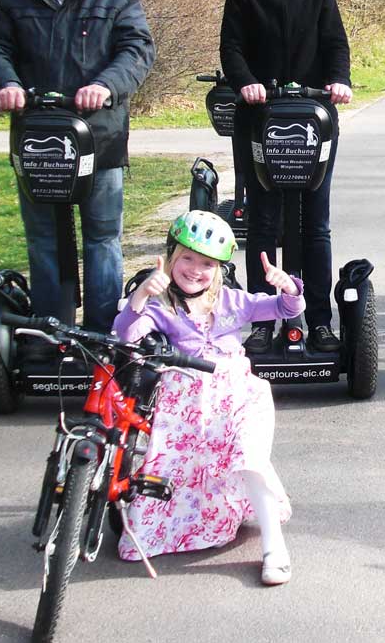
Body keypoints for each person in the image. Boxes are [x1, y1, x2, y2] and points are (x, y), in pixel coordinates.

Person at [0, 0, 155, 332]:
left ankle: (100, 332)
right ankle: (53, 329)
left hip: (100, 136)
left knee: (101, 238)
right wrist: (6, 83)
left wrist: (105, 85)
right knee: (44, 238)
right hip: (38, 137)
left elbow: (136, 50)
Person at [114, 211, 303, 585]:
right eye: (187, 258)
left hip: (238, 396)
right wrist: (138, 296)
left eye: (206, 264)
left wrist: (288, 288)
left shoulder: (232, 301)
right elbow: (126, 336)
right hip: (186, 406)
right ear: (171, 257)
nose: (195, 270)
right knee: (180, 480)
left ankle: (274, 548)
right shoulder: (161, 305)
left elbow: (285, 310)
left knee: (250, 458)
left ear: (218, 269)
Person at [219, 0, 352, 354]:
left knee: (316, 223)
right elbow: (231, 49)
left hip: (313, 120)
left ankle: (318, 319)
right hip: (260, 121)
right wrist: (247, 84)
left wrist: (339, 82)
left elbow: (336, 44)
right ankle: (261, 320)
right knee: (263, 221)